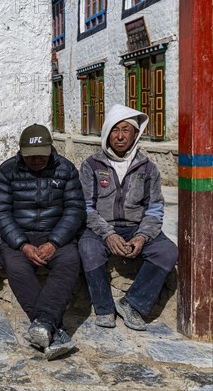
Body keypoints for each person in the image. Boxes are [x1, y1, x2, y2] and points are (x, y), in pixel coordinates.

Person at [78, 105, 178, 331]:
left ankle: (132, 304)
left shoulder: (148, 168)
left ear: (135, 134)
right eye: (115, 130)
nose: (120, 136)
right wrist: (109, 234)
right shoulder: (91, 165)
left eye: (126, 130)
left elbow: (154, 207)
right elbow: (85, 207)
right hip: (100, 228)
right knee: (88, 249)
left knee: (167, 252)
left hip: (136, 228)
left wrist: (142, 236)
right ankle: (103, 308)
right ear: (106, 133)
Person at [0, 124, 85, 360]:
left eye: (40, 155)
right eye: (30, 155)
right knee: (16, 266)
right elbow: (1, 212)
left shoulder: (65, 169)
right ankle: (52, 327)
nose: (35, 160)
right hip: (19, 237)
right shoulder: (7, 171)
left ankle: (42, 324)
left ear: (50, 150)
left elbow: (75, 209)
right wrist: (22, 244)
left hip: (56, 235)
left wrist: (54, 242)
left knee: (70, 260)